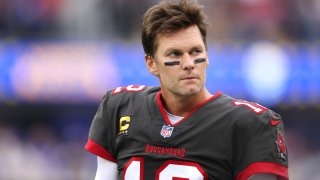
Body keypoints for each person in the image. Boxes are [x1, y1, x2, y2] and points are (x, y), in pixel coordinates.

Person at [85, 0, 289, 179]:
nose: (189, 63)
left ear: (207, 56)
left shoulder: (250, 123)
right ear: (151, 63)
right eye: (175, 54)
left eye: (195, 51)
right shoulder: (120, 107)